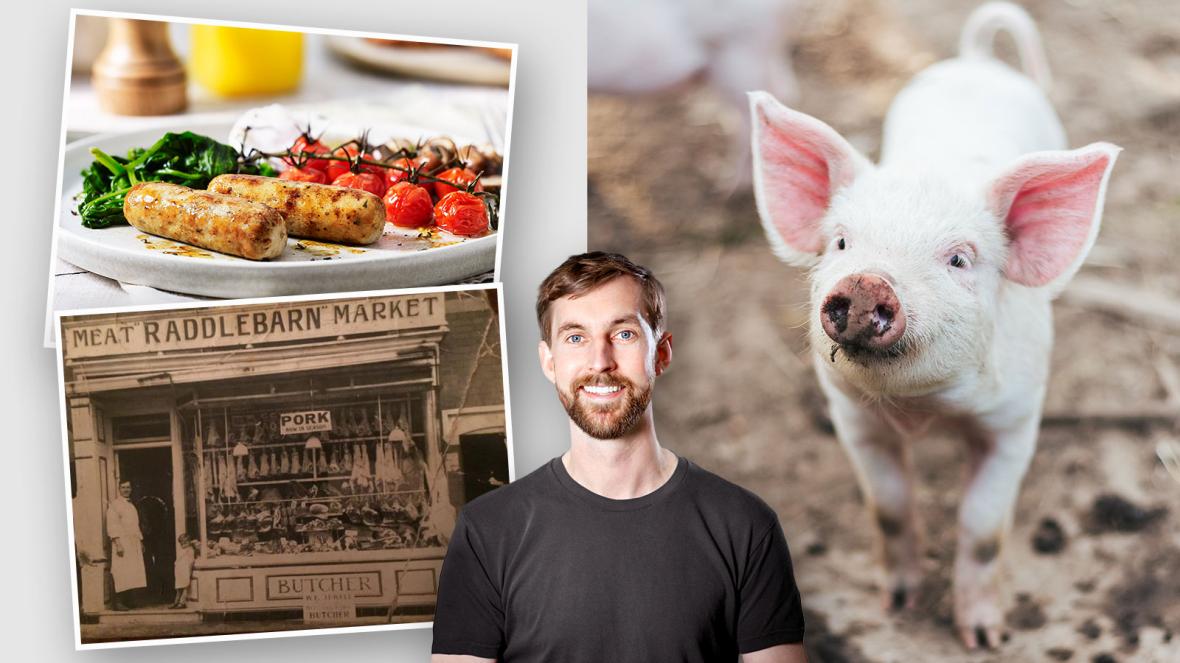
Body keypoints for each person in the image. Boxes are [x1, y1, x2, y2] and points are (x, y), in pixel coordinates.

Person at [432, 252, 808, 662]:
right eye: (576, 338)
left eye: (624, 334)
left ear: (661, 353)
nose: (600, 362)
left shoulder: (744, 525)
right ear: (549, 362)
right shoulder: (487, 531)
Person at [105, 479, 147, 611]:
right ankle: (117, 602)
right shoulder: (115, 505)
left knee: (132, 571)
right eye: (123, 487)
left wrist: (140, 541)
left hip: (133, 542)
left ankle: (128, 601)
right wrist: (118, 544)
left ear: (131, 489)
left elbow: (135, 526)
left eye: (128, 487)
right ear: (119, 489)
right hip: (122, 542)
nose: (126, 490)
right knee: (121, 571)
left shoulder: (131, 506)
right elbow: (112, 525)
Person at [171, 532, 197, 609]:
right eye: (181, 543)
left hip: (185, 569)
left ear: (189, 542)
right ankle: (176, 602)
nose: (183, 545)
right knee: (179, 587)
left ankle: (182, 602)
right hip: (180, 571)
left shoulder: (190, 550)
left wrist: (189, 570)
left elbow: (191, 561)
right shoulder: (182, 550)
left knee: (185, 586)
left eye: (185, 543)